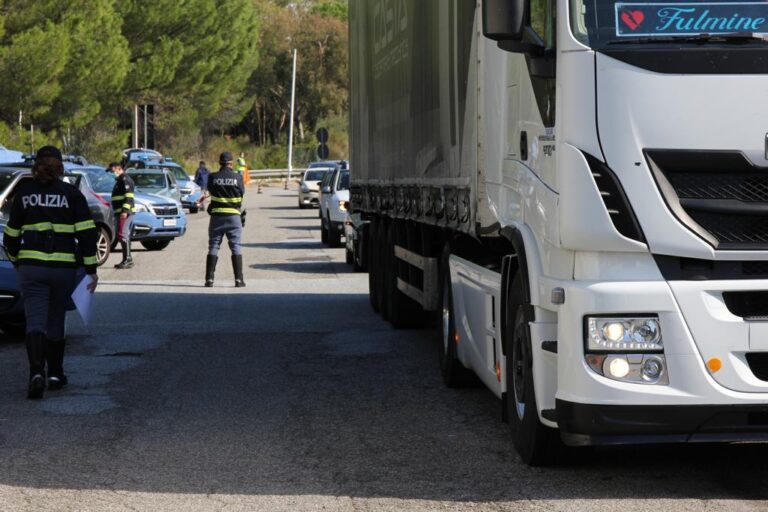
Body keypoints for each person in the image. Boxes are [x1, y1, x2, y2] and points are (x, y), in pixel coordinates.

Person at [3, 145, 98, 399]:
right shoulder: (71, 194)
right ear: (60, 166)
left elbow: (11, 235)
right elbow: (88, 235)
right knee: (55, 319)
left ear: (36, 165)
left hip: (31, 268)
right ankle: (55, 374)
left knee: (34, 321)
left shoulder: (24, 193)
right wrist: (91, 269)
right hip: (62, 269)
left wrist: (16, 261)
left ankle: (36, 374)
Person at [205, 152, 245, 287]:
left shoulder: (212, 177)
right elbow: (241, 196)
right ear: (231, 163)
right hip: (234, 216)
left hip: (216, 217)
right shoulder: (237, 177)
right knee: (236, 247)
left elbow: (211, 193)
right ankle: (239, 280)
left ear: (220, 163)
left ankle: (209, 280)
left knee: (214, 246)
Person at [109, 163, 135, 269]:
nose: (111, 173)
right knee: (123, 235)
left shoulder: (125, 180)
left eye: (112, 171)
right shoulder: (119, 180)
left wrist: (124, 211)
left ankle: (127, 259)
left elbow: (128, 196)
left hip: (124, 213)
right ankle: (127, 259)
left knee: (123, 235)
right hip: (120, 212)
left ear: (119, 169)